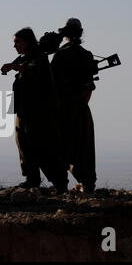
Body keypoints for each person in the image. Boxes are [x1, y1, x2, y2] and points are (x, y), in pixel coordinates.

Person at [1, 28, 68, 193]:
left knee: (43, 147)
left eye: (18, 42)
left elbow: (30, 69)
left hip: (39, 113)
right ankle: (32, 180)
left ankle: (60, 184)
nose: (15, 45)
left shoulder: (39, 58)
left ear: (28, 42)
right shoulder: (24, 58)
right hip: (23, 111)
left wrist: (14, 66)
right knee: (23, 143)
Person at [51, 18, 98, 193]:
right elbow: (89, 86)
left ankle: (61, 185)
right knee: (84, 148)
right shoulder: (86, 54)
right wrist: (80, 104)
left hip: (63, 108)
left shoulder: (60, 55)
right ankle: (88, 184)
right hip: (81, 107)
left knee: (61, 147)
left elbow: (52, 84)